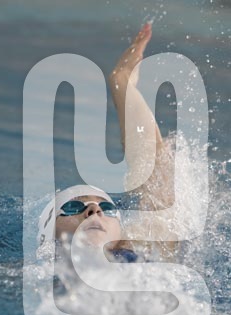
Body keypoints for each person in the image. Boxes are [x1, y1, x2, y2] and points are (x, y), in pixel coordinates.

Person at [37, 23, 178, 267]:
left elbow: (156, 170)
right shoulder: (28, 274)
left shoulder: (138, 255)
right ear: (48, 232)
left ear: (121, 234)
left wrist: (121, 82)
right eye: (72, 206)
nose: (94, 209)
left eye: (107, 208)